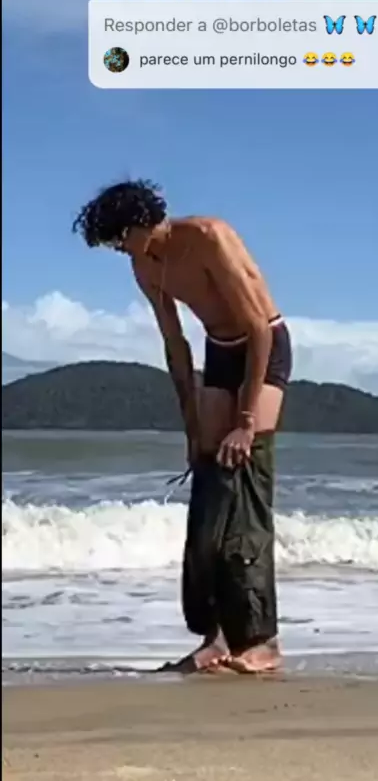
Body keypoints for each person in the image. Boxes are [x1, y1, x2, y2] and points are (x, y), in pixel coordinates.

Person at [73, 179, 292, 673]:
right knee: (209, 486)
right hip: (220, 351)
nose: (117, 248)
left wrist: (244, 421)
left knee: (245, 481)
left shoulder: (209, 237)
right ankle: (216, 637)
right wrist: (193, 429)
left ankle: (263, 641)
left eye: (118, 237)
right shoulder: (144, 266)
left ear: (140, 223)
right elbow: (176, 346)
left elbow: (257, 328)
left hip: (264, 345)